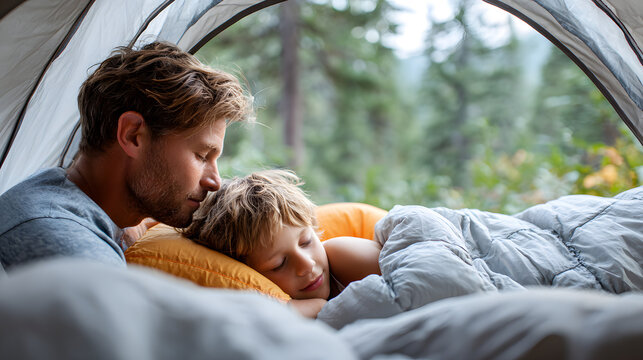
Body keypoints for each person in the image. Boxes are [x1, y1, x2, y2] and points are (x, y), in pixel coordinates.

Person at [0, 41, 253, 270]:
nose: (215, 181)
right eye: (201, 155)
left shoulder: (52, 194)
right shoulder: (72, 250)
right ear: (133, 135)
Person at [182, 169, 382, 318]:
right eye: (279, 264)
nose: (307, 265)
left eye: (306, 242)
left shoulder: (343, 255)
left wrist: (320, 308)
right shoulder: (264, 300)